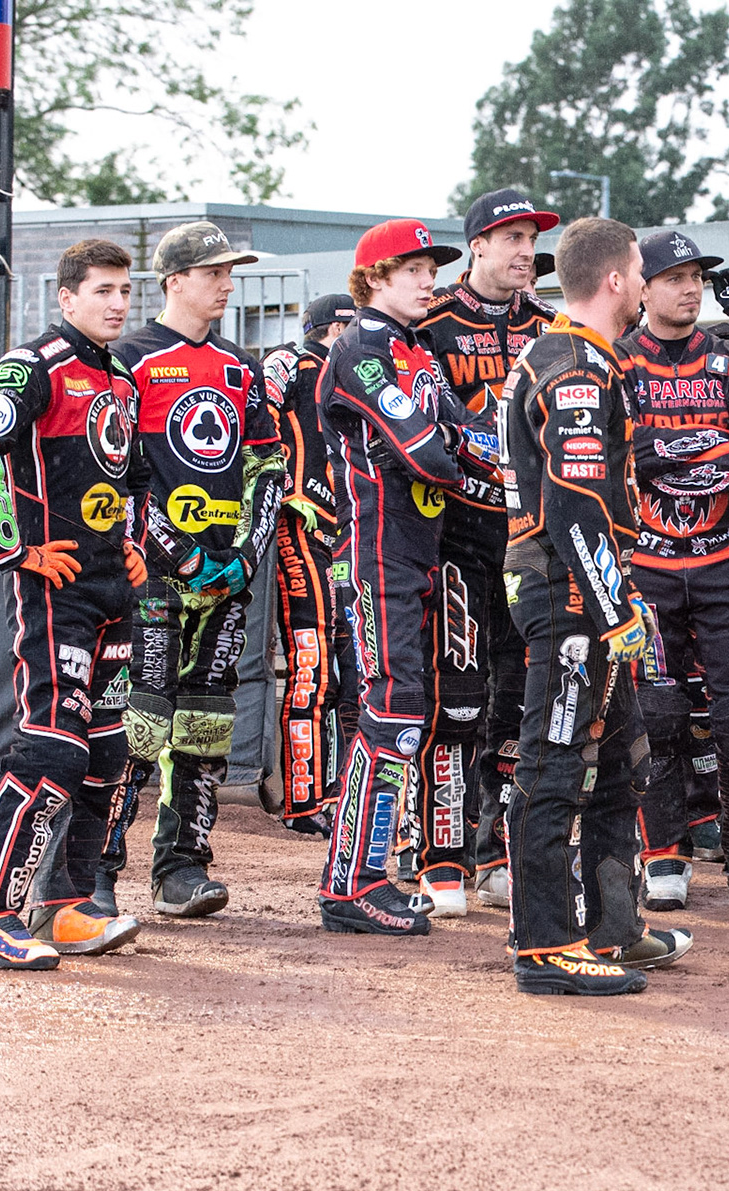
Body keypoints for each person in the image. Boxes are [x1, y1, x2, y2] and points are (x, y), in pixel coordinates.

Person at [0, 238, 145, 968]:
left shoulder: (120, 375)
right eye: (103, 291)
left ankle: (64, 907)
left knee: (109, 749)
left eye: (125, 291)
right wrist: (14, 548)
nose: (119, 303)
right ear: (66, 298)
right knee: (52, 745)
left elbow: (135, 475)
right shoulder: (36, 365)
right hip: (54, 588)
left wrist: (135, 543)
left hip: (111, 588)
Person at [501, 216, 690, 994]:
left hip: (588, 584)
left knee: (620, 756)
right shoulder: (573, 361)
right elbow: (575, 501)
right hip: (568, 589)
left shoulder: (581, 357)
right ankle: (544, 946)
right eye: (642, 271)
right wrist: (613, 608)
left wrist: (621, 601)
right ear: (615, 281)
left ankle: (614, 927)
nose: (648, 284)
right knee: (554, 761)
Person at [313, 218, 502, 935]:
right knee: (391, 713)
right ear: (374, 279)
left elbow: (477, 437)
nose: (428, 280)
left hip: (416, 553)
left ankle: (362, 877)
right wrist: (473, 459)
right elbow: (425, 448)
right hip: (374, 554)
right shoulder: (360, 347)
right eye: (412, 269)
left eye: (431, 268)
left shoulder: (414, 351)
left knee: (405, 712)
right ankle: (352, 884)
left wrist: (496, 457)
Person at [110, 222, 286, 918]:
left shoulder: (241, 366)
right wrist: (178, 553)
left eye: (229, 272)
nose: (227, 283)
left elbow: (268, 463)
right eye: (213, 272)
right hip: (150, 572)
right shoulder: (128, 359)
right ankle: (93, 868)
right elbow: (119, 473)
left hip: (227, 577)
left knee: (208, 723)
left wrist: (245, 551)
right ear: (174, 281)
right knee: (139, 719)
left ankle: (182, 868)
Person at [614, 230, 729, 913]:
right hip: (646, 570)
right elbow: (622, 451)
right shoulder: (617, 362)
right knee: (655, 715)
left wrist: (673, 460)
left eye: (697, 278)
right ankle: (664, 856)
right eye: (675, 277)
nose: (690, 288)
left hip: (721, 567)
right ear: (643, 287)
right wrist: (695, 449)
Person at [411, 188, 561, 916]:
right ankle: (440, 855)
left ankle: (498, 850)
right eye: (510, 239)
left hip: (529, 541)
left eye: (531, 240)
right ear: (476, 245)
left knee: (519, 699)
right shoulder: (432, 321)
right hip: (457, 540)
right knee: (458, 698)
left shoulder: (551, 325)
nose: (524, 253)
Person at [262, 293, 360, 838]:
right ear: (332, 328)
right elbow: (254, 411)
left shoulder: (364, 370)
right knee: (311, 665)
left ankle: (347, 794)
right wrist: (277, 487)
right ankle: (304, 801)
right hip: (299, 526)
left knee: (354, 672)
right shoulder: (290, 361)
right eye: (352, 325)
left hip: (352, 534)